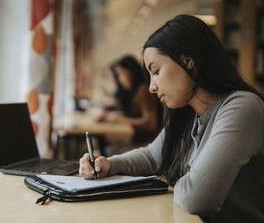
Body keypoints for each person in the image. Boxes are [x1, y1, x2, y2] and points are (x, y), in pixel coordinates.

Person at [79, 14, 264, 222]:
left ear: (188, 61)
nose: (151, 87)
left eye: (156, 71)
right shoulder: (189, 114)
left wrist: (174, 176)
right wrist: (109, 165)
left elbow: (196, 198)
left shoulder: (242, 107)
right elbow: (153, 156)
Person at [98, 55, 161, 143]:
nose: (119, 79)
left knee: (106, 149)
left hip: (148, 143)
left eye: (120, 74)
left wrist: (119, 119)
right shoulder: (134, 91)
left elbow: (151, 124)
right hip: (139, 140)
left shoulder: (143, 90)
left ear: (131, 71)